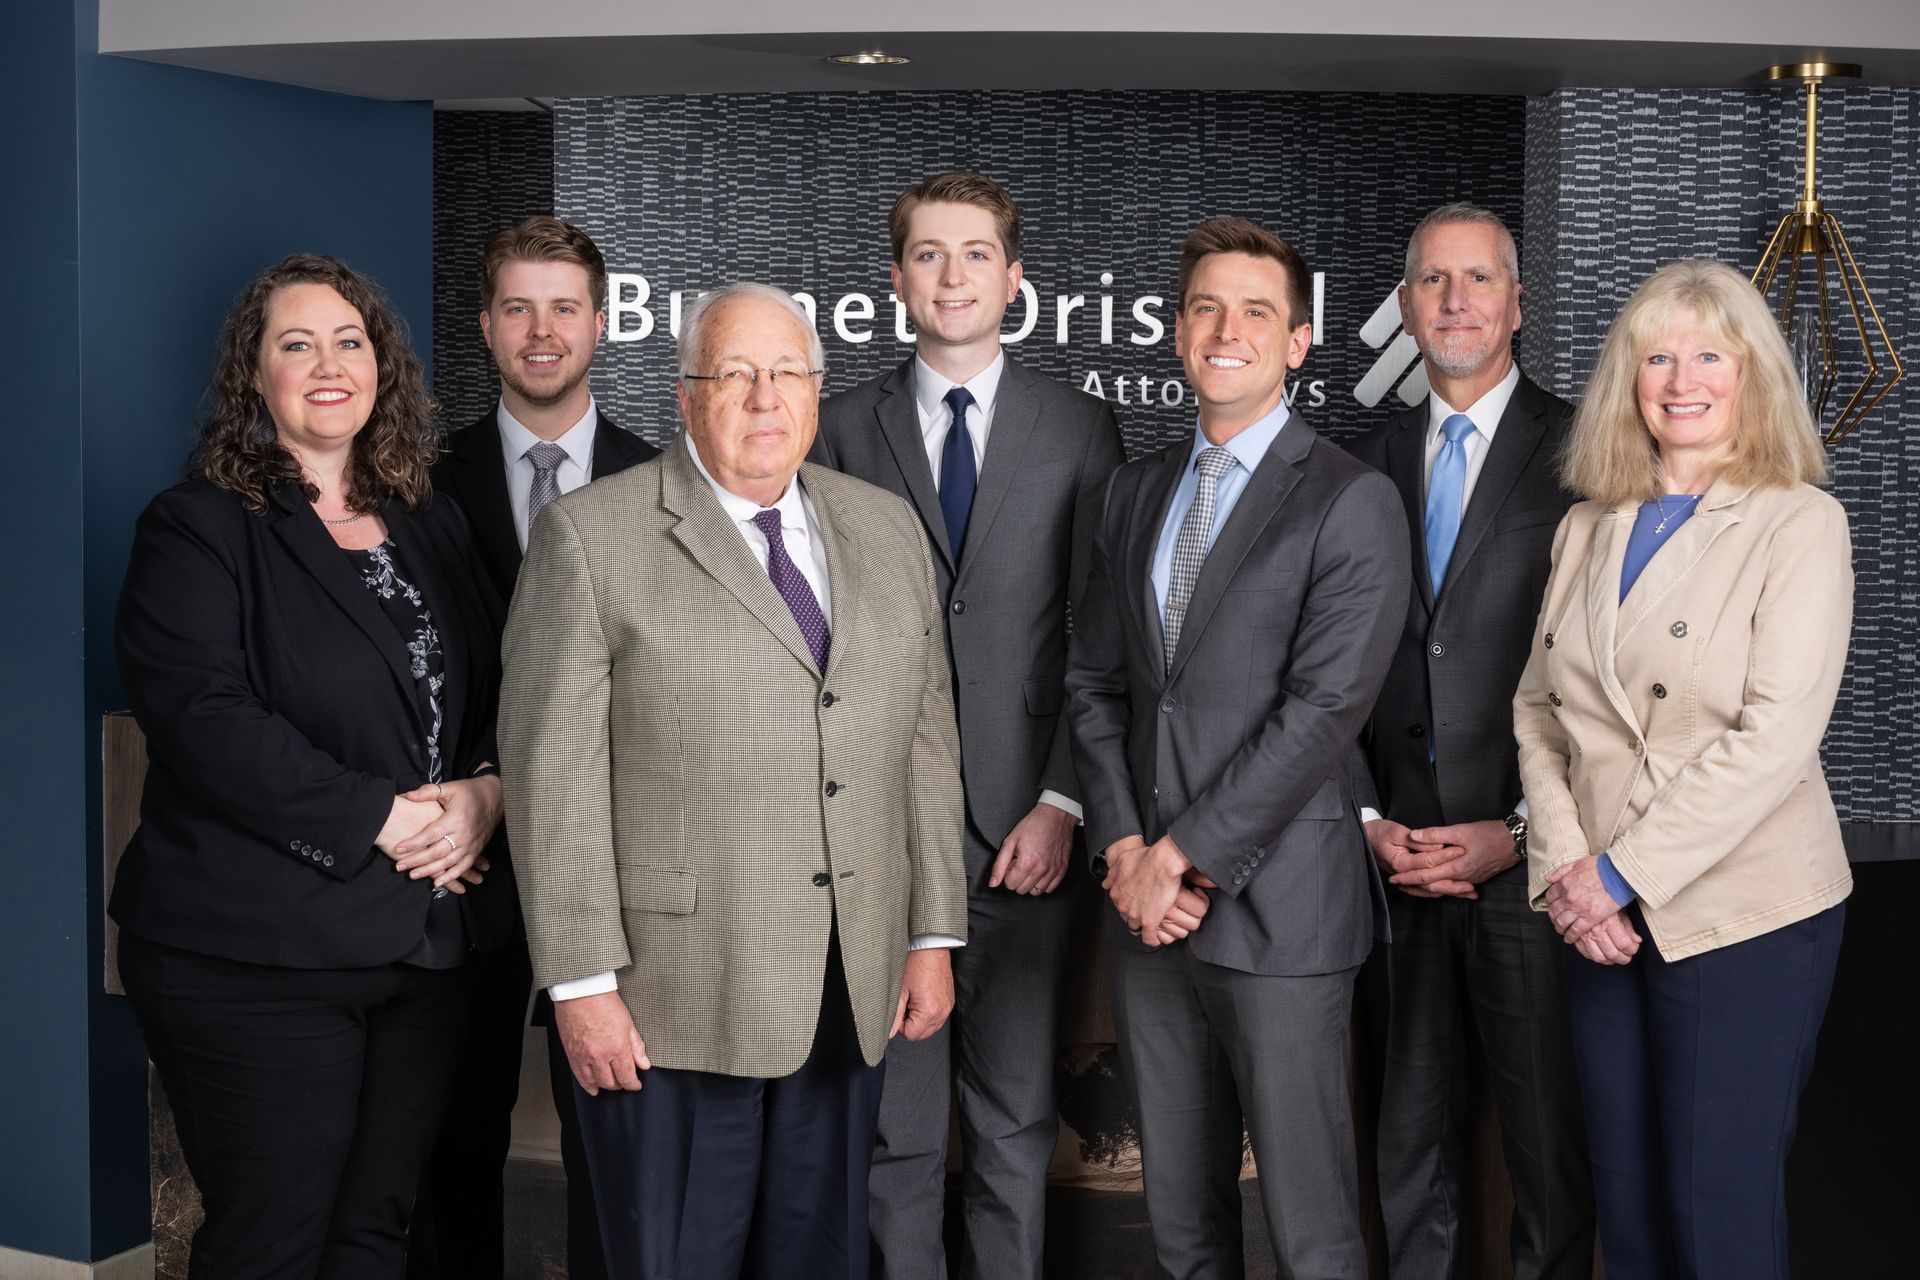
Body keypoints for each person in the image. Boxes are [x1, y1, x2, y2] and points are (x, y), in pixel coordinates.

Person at [499, 282, 970, 1280]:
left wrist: (931, 932)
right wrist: (581, 984)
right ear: (685, 394)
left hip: (845, 988)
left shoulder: (886, 528)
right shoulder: (590, 536)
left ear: (817, 388)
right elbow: (552, 780)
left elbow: (924, 740)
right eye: (735, 374)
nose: (766, 396)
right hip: (667, 1002)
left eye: (788, 372)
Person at [112, 253, 511, 1278]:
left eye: (349, 341)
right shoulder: (199, 526)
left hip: (421, 944)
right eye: (297, 344)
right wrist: (383, 816)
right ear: (255, 375)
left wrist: (485, 791)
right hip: (255, 955)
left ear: (382, 366)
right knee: (272, 1244)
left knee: (374, 1234)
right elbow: (205, 719)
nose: (329, 365)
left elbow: (496, 687)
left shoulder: (428, 518)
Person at [1065, 217, 1409, 1278]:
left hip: (1283, 911)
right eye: (1206, 308)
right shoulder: (1131, 491)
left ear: (1298, 341)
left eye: (1257, 312)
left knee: (1311, 1232)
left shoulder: (1350, 497)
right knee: (1182, 1225)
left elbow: (1323, 711)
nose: (1227, 331)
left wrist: (1182, 856)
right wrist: (1125, 851)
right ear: (1177, 332)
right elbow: (1095, 685)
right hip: (1147, 912)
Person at [810, 170, 1125, 1280]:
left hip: (1025, 831)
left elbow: (1102, 637)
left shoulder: (1080, 427)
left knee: (1013, 1120)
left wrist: (1062, 799)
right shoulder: (836, 427)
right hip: (881, 837)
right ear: (895, 279)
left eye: (976, 253)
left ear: (1015, 277)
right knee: (894, 1131)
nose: (953, 275)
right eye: (929, 254)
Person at [1514, 257, 1853, 1280]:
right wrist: (1570, 874)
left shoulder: (1799, 521)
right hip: (1596, 914)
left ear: (1753, 375)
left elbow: (1776, 736)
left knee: (1716, 1213)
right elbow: (1538, 710)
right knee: (1625, 1204)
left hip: (1742, 910)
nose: (1681, 379)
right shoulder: (1587, 524)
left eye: (1710, 356)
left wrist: (1620, 873)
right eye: (1656, 357)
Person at [1347, 203, 1594, 1278]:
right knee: (1408, 1153)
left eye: (1479, 279)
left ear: (1517, 303)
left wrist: (1520, 829)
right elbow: (1327, 673)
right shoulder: (1357, 463)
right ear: (1406, 306)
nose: (1456, 301)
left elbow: (1612, 680)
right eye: (1433, 281)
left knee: (1549, 1157)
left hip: (1535, 868)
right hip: (1393, 867)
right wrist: (1369, 820)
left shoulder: (1590, 452)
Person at [414, 214, 658, 1280]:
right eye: (519, 308)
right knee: (452, 1142)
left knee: (614, 1142)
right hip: (461, 864)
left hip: (613, 864)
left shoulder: (666, 480)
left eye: (564, 308)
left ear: (603, 323)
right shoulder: (417, 478)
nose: (542, 330)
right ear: (486, 326)